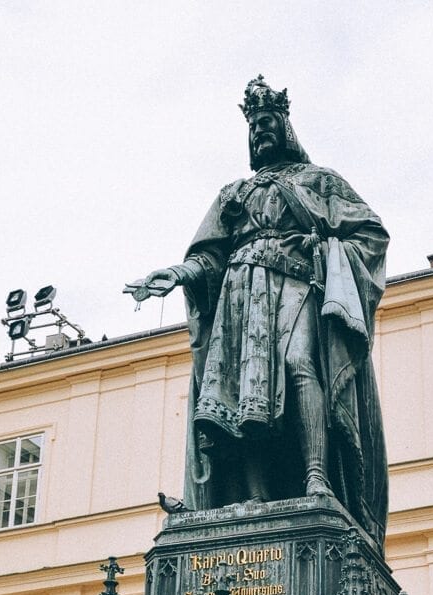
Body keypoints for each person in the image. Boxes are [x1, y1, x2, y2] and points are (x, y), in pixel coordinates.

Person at [125, 76, 390, 551]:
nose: (258, 133)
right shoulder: (233, 193)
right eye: (252, 127)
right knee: (240, 392)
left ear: (284, 126)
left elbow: (370, 237)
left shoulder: (320, 182)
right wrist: (177, 273)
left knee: (301, 367)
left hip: (296, 281)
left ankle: (316, 478)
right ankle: (253, 493)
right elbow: (210, 257)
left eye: (266, 123)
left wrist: (323, 246)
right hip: (240, 297)